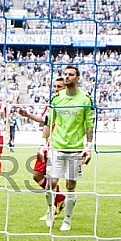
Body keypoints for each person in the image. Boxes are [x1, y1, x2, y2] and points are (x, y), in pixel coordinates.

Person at [42, 66, 94, 231]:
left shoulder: (85, 99)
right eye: (65, 74)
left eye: (71, 74)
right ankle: (51, 211)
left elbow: (89, 125)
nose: (67, 77)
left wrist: (89, 146)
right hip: (56, 148)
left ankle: (68, 219)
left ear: (78, 78)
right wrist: (43, 142)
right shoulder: (57, 98)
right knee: (51, 183)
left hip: (75, 150)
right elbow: (49, 122)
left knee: (70, 186)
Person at [19, 77, 66, 221]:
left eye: (60, 87)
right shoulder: (52, 104)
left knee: (53, 179)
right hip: (47, 145)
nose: (56, 89)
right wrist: (27, 115)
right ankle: (59, 198)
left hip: (60, 146)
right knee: (37, 176)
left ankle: (54, 208)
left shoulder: (69, 106)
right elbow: (44, 120)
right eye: (55, 86)